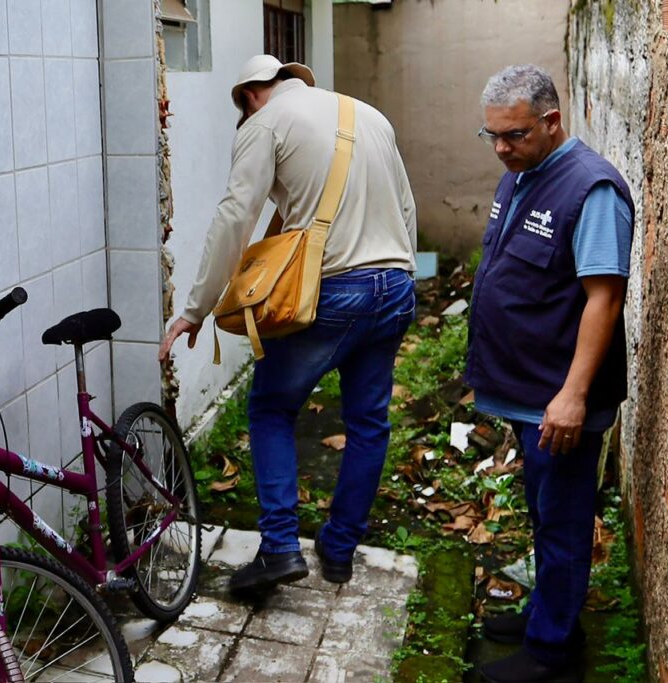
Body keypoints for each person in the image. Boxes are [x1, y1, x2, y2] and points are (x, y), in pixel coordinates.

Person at [158, 54, 417, 593]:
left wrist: (196, 308)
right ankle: (340, 548)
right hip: (395, 284)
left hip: (333, 292)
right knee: (369, 423)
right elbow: (407, 208)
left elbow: (237, 215)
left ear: (251, 93)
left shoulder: (265, 123)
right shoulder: (370, 116)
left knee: (271, 407)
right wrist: (398, 278)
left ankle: (278, 548)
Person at [466, 64, 635, 683]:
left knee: (562, 522)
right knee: (545, 513)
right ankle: (548, 612)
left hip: (558, 401)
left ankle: (551, 654)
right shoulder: (523, 176)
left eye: (513, 135)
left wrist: (571, 395)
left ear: (551, 122)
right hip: (527, 391)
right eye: (492, 137)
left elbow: (603, 299)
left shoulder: (591, 190)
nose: (502, 148)